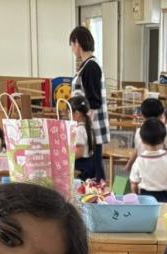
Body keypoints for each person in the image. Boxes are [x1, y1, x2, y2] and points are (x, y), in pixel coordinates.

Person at [69, 26, 109, 183]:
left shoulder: (91, 66)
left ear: (77, 43)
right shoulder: (87, 65)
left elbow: (94, 101)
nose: (72, 49)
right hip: (87, 127)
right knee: (93, 170)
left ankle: (97, 194)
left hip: (91, 128)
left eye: (72, 45)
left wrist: (83, 125)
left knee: (94, 171)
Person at [129, 119, 167, 203]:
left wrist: (136, 196)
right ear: (163, 140)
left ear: (142, 140)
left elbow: (134, 184)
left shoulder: (139, 160)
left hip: (145, 197)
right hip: (164, 197)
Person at [126, 97, 167, 174]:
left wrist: (129, 165)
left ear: (142, 115)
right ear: (160, 115)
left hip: (144, 169)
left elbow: (137, 151)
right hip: (158, 171)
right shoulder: (163, 131)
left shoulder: (139, 131)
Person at [69, 96, 95, 180]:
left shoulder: (79, 130)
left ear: (76, 114)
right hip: (89, 163)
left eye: (69, 112)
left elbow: (79, 152)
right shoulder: (87, 126)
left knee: (80, 187)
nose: (68, 115)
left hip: (81, 166)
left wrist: (66, 157)